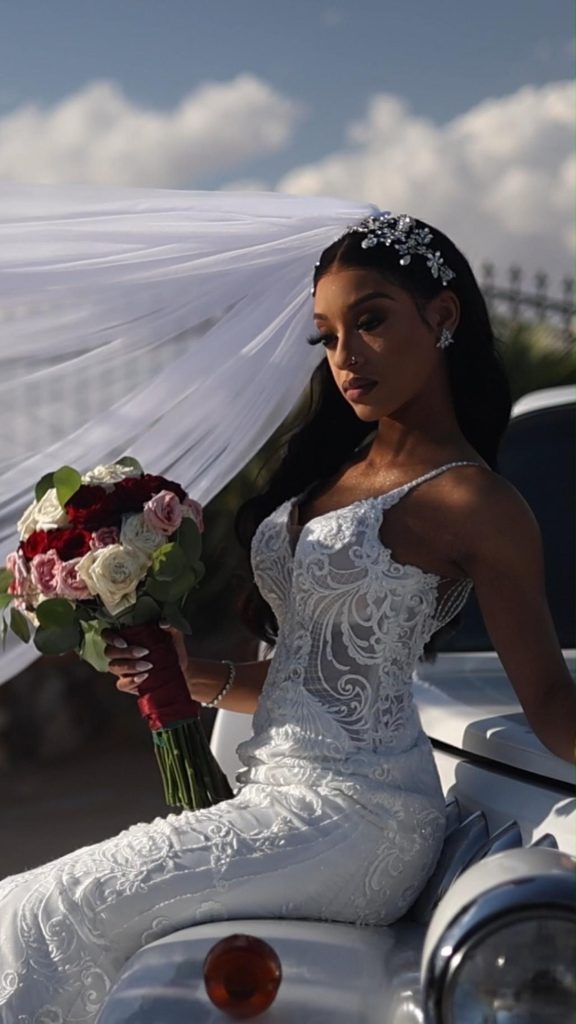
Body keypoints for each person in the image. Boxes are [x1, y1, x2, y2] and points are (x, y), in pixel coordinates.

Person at [0, 211, 573, 1022]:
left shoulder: (475, 502)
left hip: (362, 819)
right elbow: (318, 671)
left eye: (370, 321)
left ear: (442, 317)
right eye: (327, 337)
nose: (346, 357)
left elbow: (551, 706)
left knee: (47, 909)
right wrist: (196, 674)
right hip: (273, 795)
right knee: (29, 905)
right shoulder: (334, 469)